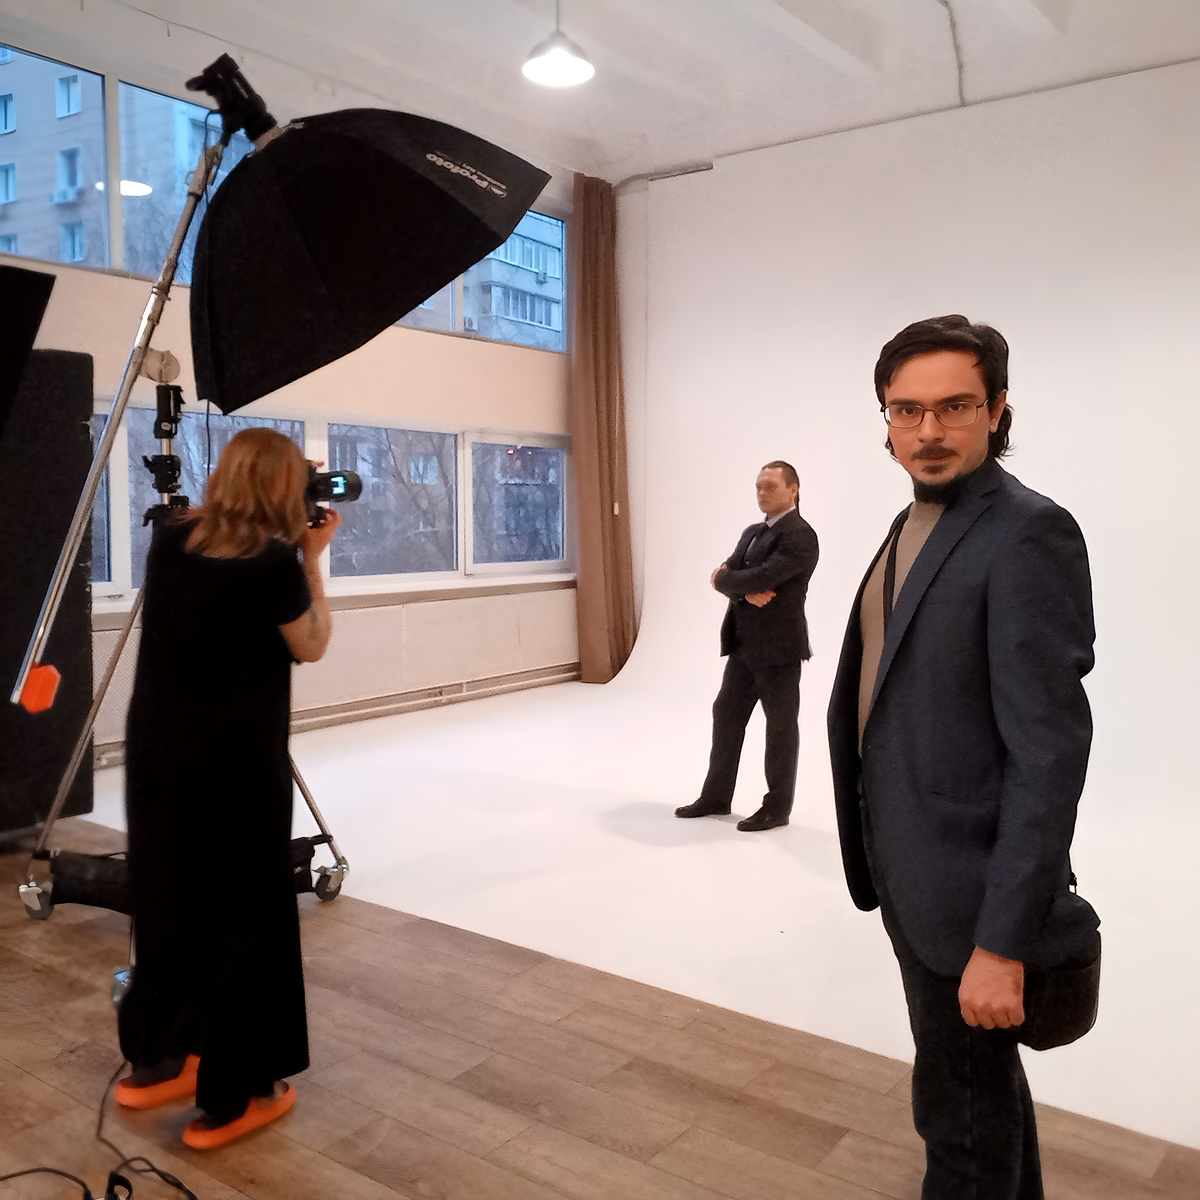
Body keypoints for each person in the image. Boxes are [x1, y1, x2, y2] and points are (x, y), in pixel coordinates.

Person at [827, 315, 1096, 1198]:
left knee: (961, 1133)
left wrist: (1001, 944)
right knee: (980, 1101)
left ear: (997, 409)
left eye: (955, 407)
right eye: (906, 410)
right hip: (916, 879)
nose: (928, 431)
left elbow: (1048, 758)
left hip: (970, 903)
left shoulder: (1028, 533)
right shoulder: (916, 521)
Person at [114, 427, 340, 1150]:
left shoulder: (168, 543)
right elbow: (311, 644)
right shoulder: (274, 565)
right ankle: (235, 1095)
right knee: (246, 924)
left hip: (158, 763)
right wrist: (314, 557)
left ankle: (161, 1060)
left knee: (167, 906)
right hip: (235, 772)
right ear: (284, 488)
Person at [676, 461, 819, 832]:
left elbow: (761, 576)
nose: (762, 493)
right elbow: (732, 576)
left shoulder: (800, 535)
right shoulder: (752, 532)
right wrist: (739, 589)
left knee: (780, 729)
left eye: (770, 486)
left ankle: (777, 807)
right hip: (742, 648)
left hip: (779, 651)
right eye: (758, 486)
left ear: (793, 489)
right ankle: (716, 796)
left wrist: (730, 580)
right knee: (726, 717)